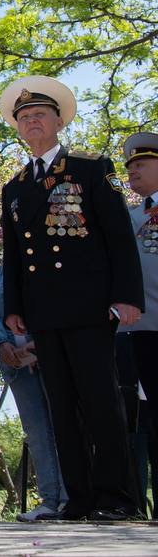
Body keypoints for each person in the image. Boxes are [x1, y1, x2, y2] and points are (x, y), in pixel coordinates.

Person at [0, 78, 144, 520]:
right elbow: (14, 254)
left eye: (40, 115)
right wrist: (13, 306)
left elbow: (119, 237)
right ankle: (78, 498)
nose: (32, 122)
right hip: (43, 311)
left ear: (59, 121)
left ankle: (116, 498)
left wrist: (126, 296)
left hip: (89, 305)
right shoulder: (15, 187)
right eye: (24, 118)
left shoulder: (90, 168)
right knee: (61, 407)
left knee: (101, 401)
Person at [0, 266, 65, 521]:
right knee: (36, 432)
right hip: (17, 365)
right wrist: (1, 343)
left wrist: (44, 341)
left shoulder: (49, 261)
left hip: (54, 356)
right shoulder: (3, 273)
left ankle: (71, 498)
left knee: (65, 427)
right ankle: (50, 501)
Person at [124, 132, 158, 451]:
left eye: (141, 164)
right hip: (143, 329)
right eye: (130, 166)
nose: (132, 170)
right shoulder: (128, 218)